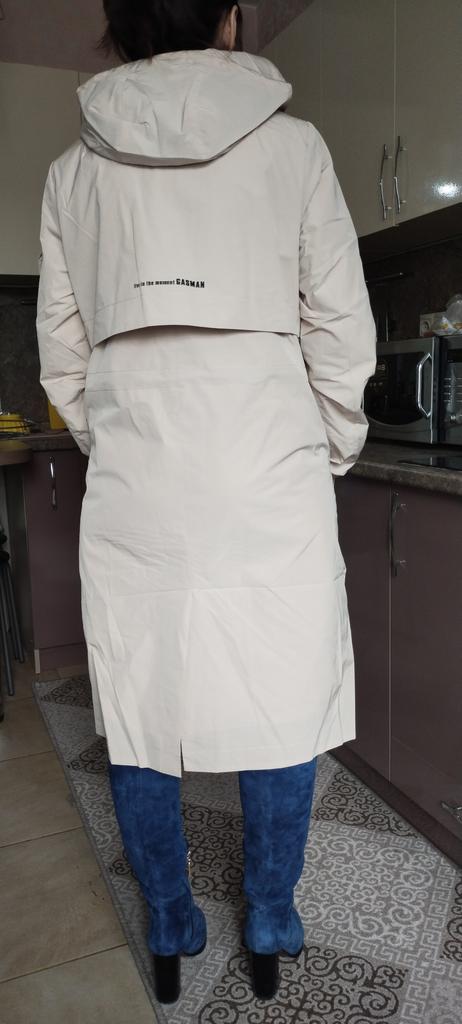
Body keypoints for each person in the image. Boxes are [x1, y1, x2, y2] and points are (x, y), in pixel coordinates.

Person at [36, 0, 377, 1005]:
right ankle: (269, 915)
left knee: (141, 703)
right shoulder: (295, 148)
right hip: (269, 464)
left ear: (120, 26)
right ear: (229, 19)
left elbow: (63, 354)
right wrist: (328, 447)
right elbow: (341, 327)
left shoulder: (72, 172)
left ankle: (171, 923)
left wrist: (120, 439)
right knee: (281, 694)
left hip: (140, 477)